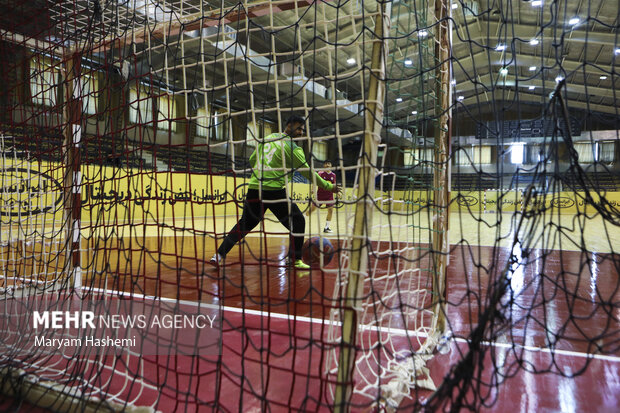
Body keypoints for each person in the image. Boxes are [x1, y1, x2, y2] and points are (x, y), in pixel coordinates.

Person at [210, 115, 341, 270]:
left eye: (302, 130)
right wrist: (328, 186)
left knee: (244, 225)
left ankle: (218, 255)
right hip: (274, 192)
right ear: (289, 125)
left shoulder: (268, 138)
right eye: (299, 128)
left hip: (254, 188)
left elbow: (253, 159)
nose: (300, 132)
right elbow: (308, 172)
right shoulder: (292, 148)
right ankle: (295, 260)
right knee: (298, 222)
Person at [305, 160, 337, 233]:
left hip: (329, 196)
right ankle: (302, 220)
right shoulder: (320, 173)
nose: (327, 165)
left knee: (331, 211)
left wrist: (337, 192)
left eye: (329, 164)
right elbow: (315, 181)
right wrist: (313, 189)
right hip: (320, 195)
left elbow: (334, 185)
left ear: (331, 165)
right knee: (312, 210)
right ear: (324, 165)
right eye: (326, 164)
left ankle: (326, 227)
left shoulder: (333, 175)